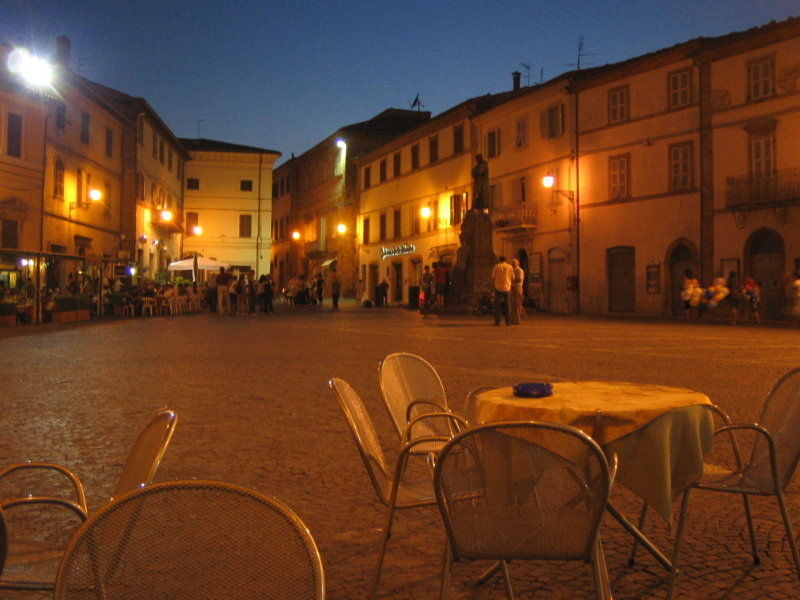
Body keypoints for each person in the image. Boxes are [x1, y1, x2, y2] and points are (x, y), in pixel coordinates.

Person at [491, 256, 514, 326]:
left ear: (499, 260)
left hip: (498, 287)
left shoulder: (496, 266)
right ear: (505, 260)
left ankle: (497, 321)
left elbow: (493, 277)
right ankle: (508, 321)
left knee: (497, 305)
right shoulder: (510, 267)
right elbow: (513, 277)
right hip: (507, 287)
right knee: (508, 305)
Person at [509, 258, 525, 325]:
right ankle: (513, 320)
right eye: (512, 263)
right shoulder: (512, 270)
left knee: (517, 305)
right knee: (513, 305)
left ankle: (517, 321)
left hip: (517, 288)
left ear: (517, 264)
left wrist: (511, 280)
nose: (512, 264)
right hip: (512, 288)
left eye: (514, 263)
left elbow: (519, 280)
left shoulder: (519, 270)